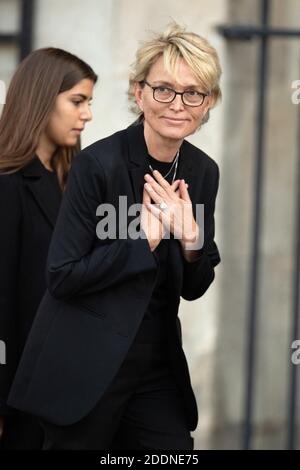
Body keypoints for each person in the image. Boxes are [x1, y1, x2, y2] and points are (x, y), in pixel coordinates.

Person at [8, 23, 221, 450]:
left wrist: (193, 241)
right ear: (139, 93)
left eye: (193, 92)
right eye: (163, 89)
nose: (177, 104)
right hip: (85, 369)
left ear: (208, 102)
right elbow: (63, 275)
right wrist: (142, 241)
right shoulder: (97, 165)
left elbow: (195, 288)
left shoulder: (202, 172)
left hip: (157, 370)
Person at [0, 47, 97, 449]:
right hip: (20, 395)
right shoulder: (7, 181)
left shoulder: (75, 182)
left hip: (70, 393)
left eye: (89, 103)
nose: (87, 115)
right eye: (77, 101)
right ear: (42, 98)